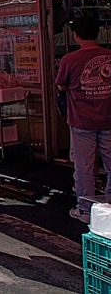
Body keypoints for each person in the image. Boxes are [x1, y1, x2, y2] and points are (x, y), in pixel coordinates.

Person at [56, 16, 111, 223]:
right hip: (108, 119)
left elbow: (61, 86)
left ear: (76, 35)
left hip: (82, 121)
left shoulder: (69, 60)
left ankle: (86, 210)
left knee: (85, 167)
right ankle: (109, 205)